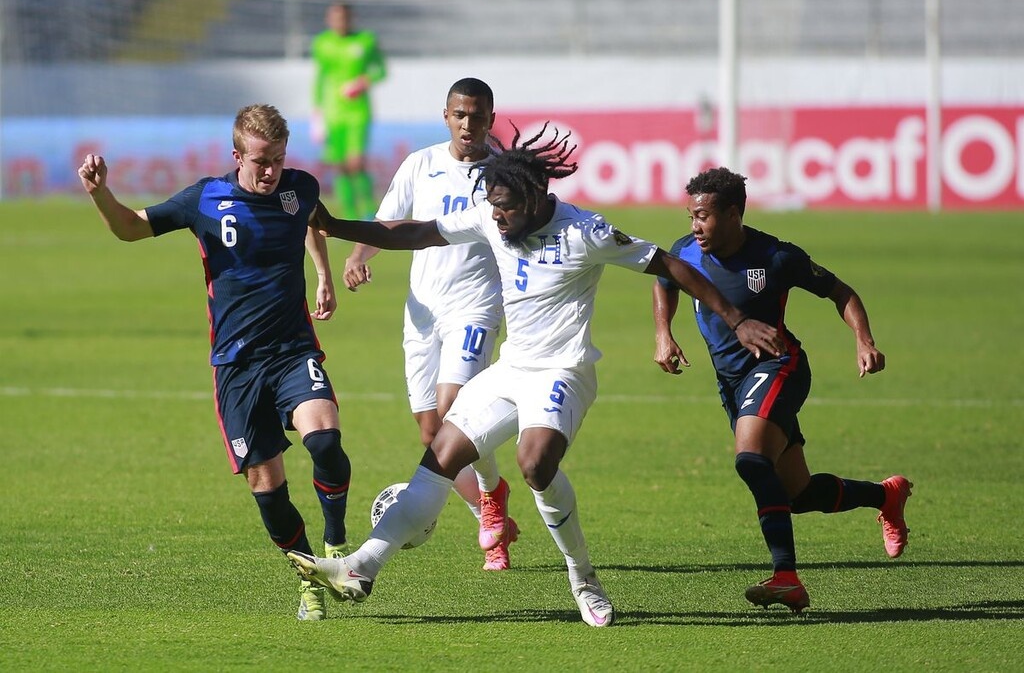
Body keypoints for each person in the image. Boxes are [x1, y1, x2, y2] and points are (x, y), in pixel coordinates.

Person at [285, 124, 788, 627]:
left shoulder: (584, 231)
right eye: (492, 205)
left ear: (536, 196)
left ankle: (583, 578)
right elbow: (418, 232)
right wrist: (333, 224)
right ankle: (362, 567)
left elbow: (671, 266)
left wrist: (736, 318)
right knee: (440, 455)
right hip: (512, 369)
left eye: (506, 208)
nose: (497, 218)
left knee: (533, 464)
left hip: (563, 370)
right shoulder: (491, 214)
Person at [77, 104, 352, 623]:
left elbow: (312, 219)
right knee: (269, 492)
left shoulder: (301, 188)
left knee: (325, 441)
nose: (270, 171)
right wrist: (101, 195)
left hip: (293, 350)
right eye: (259, 161)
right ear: (236, 155)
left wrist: (323, 274)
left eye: (277, 159)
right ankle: (311, 578)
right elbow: (132, 229)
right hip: (238, 366)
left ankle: (338, 545)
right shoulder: (205, 199)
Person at [651, 166, 913, 614]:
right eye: (691, 216)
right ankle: (885, 495)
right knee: (797, 494)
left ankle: (786, 577)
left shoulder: (776, 256)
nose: (694, 226)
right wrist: (663, 332)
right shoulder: (684, 251)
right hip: (732, 382)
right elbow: (665, 281)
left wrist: (863, 339)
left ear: (733, 214)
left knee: (752, 462)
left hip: (779, 366)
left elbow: (841, 292)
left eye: (703, 216)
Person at [343, 77, 518, 571]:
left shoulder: (504, 173)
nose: (468, 124)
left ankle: (488, 499)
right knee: (429, 432)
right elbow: (388, 222)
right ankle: (493, 496)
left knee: (453, 410)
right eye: (460, 115)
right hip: (422, 310)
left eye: (478, 115)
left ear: (490, 118)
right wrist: (359, 256)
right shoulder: (420, 164)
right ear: (446, 116)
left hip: (476, 306)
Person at [310, 0, 386, 221]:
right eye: (335, 18)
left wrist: (363, 81)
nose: (339, 22)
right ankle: (350, 217)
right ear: (328, 20)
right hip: (333, 113)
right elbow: (320, 78)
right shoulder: (322, 43)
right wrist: (316, 112)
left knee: (356, 162)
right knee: (340, 167)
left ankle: (371, 211)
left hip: (357, 112)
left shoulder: (365, 40)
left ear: (350, 19)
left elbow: (381, 70)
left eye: (343, 18)